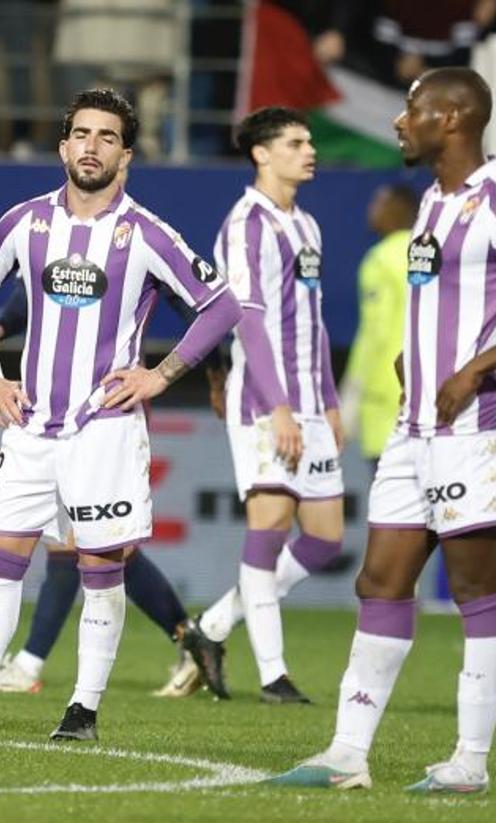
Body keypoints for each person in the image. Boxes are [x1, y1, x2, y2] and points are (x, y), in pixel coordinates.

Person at [268, 67, 496, 793]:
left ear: (451, 121)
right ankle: (347, 753)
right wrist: (411, 356)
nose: (398, 121)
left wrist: (476, 366)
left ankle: (470, 764)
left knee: (475, 586)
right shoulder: (435, 204)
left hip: (477, 426)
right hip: (414, 426)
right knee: (379, 579)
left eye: (411, 110)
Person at [0, 88, 242, 741]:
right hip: (30, 428)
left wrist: (160, 374)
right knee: (0, 560)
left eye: (106, 137)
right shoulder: (26, 221)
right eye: (81, 134)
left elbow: (221, 305)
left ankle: (82, 712)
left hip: (104, 431)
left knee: (99, 569)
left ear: (126, 155)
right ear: (63, 146)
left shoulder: (144, 233)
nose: (91, 146)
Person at [0, 276, 229, 699]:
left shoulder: (135, 238)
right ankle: (192, 638)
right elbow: (36, 292)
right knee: (79, 543)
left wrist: (201, 374)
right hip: (55, 414)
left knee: (87, 543)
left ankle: (29, 665)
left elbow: (200, 305)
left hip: (107, 412)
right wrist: (0, 327)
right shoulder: (57, 229)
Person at [180, 107, 346, 705]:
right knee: (270, 526)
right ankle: (274, 674)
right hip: (262, 402)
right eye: (297, 143)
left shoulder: (306, 225)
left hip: (309, 400)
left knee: (325, 538)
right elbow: (246, 321)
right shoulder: (247, 225)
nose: (310, 151)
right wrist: (278, 406)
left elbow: (314, 321)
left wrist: (327, 400)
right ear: (262, 154)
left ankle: (214, 627)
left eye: (309, 142)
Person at [339, 183, 419, 474]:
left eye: (380, 203)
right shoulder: (430, 251)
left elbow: (374, 335)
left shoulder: (381, 260)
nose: (371, 210)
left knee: (393, 513)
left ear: (401, 209)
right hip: (429, 404)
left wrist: (350, 398)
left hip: (387, 406)